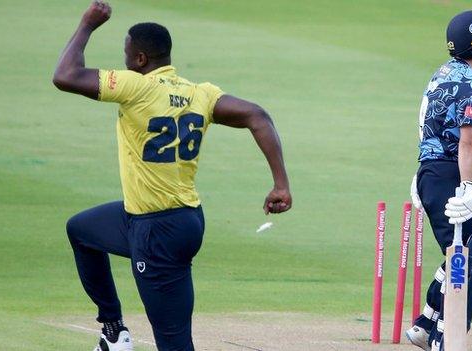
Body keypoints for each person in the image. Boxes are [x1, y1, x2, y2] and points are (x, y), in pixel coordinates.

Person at [52, 1, 292, 350]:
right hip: (165, 218)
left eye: (126, 53)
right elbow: (258, 116)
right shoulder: (200, 93)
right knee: (82, 230)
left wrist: (88, 24)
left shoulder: (135, 87)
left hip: (157, 232)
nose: (124, 59)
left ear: (140, 60)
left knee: (174, 342)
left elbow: (65, 75)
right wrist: (281, 185)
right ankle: (114, 330)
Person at [405, 10, 472, 351]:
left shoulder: (442, 72)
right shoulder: (471, 83)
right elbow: (467, 141)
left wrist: (421, 175)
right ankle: (446, 339)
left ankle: (425, 323)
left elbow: (427, 124)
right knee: (471, 256)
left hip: (431, 173)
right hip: (450, 174)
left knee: (457, 254)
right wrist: (466, 186)